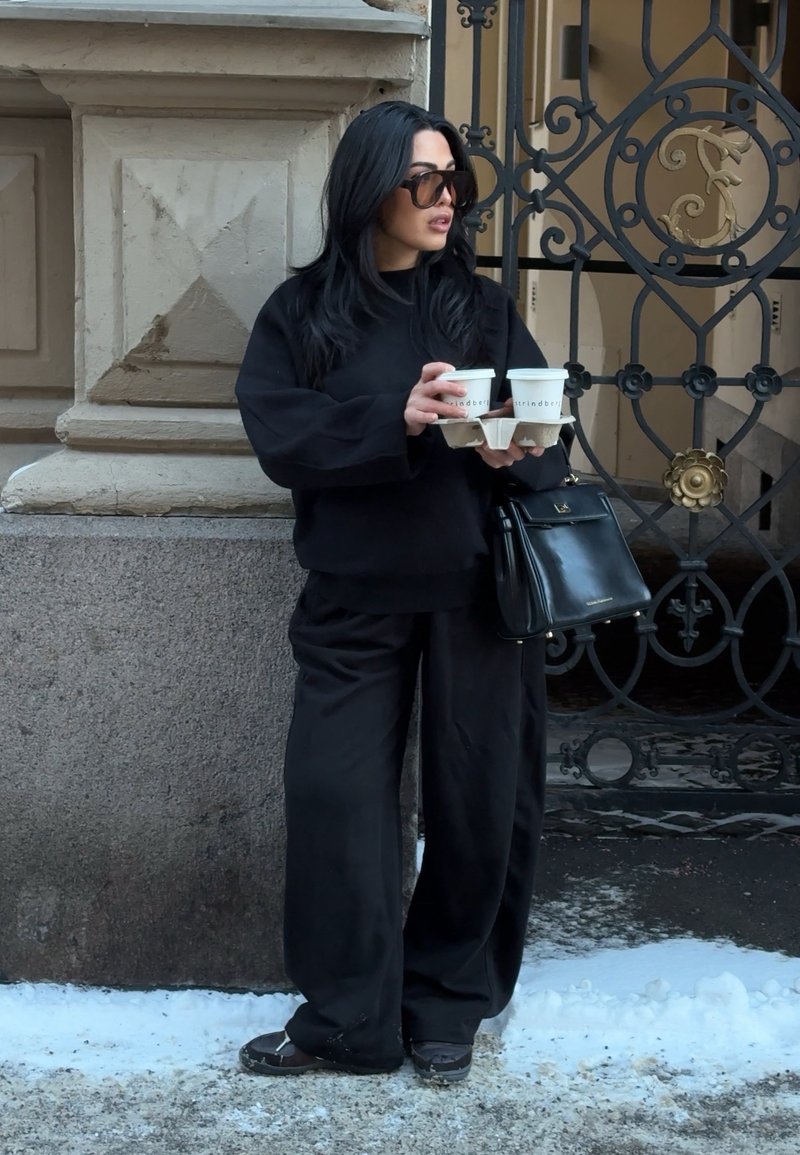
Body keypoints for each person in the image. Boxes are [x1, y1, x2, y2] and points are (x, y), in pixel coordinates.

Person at [234, 100, 566, 1085]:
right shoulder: (303, 313)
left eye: (453, 181)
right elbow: (279, 438)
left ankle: (445, 1006)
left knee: (477, 799)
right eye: (422, 180)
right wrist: (400, 416)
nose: (443, 199)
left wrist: (520, 448)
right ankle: (346, 1016)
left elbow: (543, 444)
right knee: (335, 795)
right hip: (351, 596)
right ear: (367, 187)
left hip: (476, 592)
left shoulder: (477, 306)